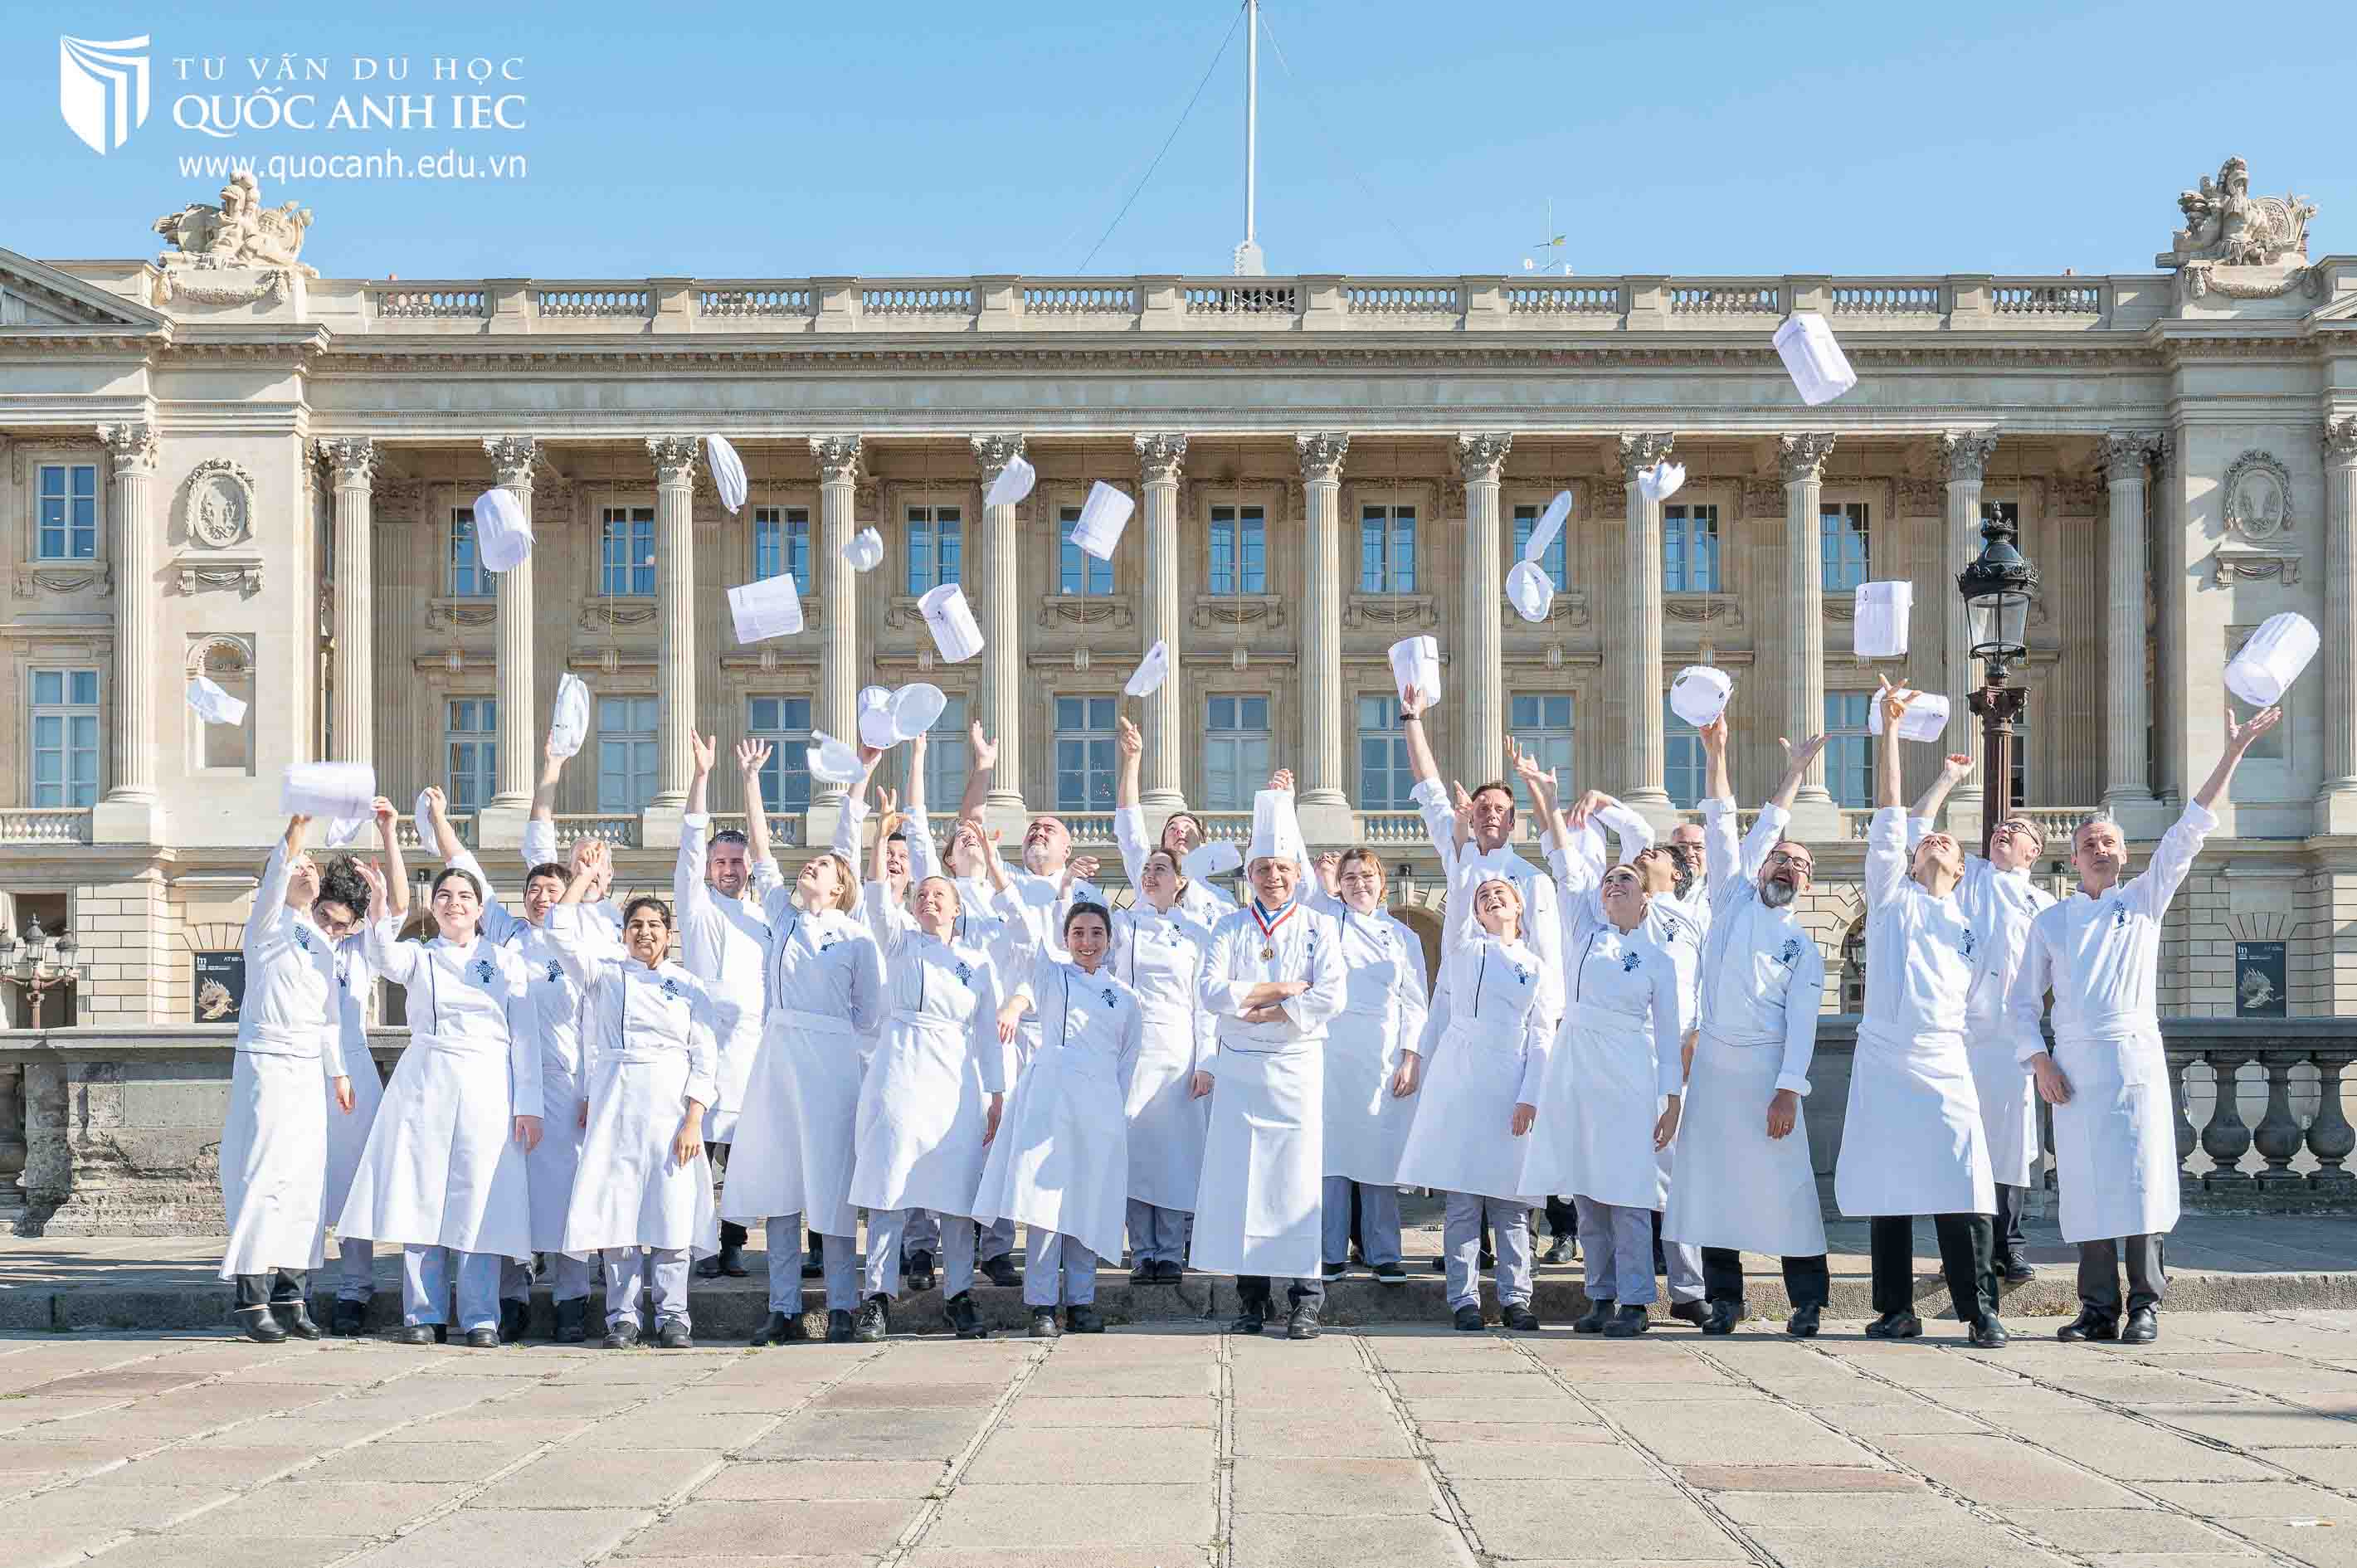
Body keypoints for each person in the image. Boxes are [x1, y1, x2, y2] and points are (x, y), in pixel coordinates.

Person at [2012, 704, 2282, 1346]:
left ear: (2124, 854)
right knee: (2086, 1185)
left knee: (2142, 1178)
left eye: (2107, 842)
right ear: (2072, 859)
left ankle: (2144, 1303)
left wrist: (2234, 749)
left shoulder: (2144, 901)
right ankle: (2096, 1306)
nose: (2098, 850)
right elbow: (2019, 1004)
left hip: (2131, 1057)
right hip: (2073, 1067)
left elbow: (2190, 829)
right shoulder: (2049, 922)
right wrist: (2040, 1062)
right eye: (2087, 845)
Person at [1839, 679, 2006, 1348]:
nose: (1934, 842)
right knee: (1888, 1188)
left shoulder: (1968, 923)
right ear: (1908, 862)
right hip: (1884, 1053)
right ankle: (1893, 1308)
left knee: (1962, 1182)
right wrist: (1887, 730)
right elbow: (1887, 812)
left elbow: (1980, 1003)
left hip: (1942, 1055)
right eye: (1925, 841)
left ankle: (1978, 1309)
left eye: (1946, 843)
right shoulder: (1889, 902)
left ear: (1960, 869)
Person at [1663, 718, 1833, 1337]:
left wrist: (1788, 1088)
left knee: (1786, 1191)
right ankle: (1725, 1301)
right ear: (1761, 869)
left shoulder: (1803, 948)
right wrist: (1724, 754)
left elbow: (1803, 1026)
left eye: (1799, 865)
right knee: (1712, 1189)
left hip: (1767, 1075)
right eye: (1779, 859)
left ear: (1807, 885)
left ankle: (1807, 1301)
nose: (1785, 867)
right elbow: (1727, 820)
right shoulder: (1730, 898)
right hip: (1713, 1069)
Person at [1515, 767, 1691, 1337]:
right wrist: (1542, 794)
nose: (1613, 885)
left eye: (1624, 880)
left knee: (1629, 1190)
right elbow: (1565, 865)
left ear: (1645, 894)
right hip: (1575, 1066)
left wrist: (1670, 1102)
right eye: (1608, 881)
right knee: (1586, 1188)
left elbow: (1666, 1035)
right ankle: (1599, 1295)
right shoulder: (1584, 932)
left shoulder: (1659, 956)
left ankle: (1636, 1300)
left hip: (1629, 1070)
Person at [426, 782, 603, 1344]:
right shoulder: (504, 936)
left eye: (551, 890)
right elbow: (463, 868)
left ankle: (574, 1296)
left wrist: (592, 1090)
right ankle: (513, 1294)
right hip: (509, 1089)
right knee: (508, 1195)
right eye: (532, 889)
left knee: (570, 1196)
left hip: (568, 1086)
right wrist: (437, 817)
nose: (540, 897)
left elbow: (596, 1026)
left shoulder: (584, 944)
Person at [338, 858, 540, 1348]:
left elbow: (526, 1037)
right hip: (427, 1080)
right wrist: (382, 902)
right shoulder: (419, 956)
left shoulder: (506, 961)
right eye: (445, 896)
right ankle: (422, 1313)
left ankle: (480, 1316)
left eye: (465, 897)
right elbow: (383, 954)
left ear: (480, 909)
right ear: (434, 906)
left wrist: (529, 1104)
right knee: (421, 1193)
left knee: (480, 1196)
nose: (455, 904)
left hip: (488, 1081)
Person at [720, 786, 883, 1346]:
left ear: (840, 886)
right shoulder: (781, 917)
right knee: (781, 1185)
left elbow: (871, 1014)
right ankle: (783, 1306)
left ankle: (842, 1305)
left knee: (831, 1188)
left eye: (822, 865)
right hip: (779, 1056)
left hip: (832, 1061)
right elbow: (762, 853)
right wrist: (751, 783)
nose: (808, 866)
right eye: (808, 862)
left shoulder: (857, 937)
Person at [545, 842, 722, 1349]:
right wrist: (580, 876)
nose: (645, 933)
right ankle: (622, 1315)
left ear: (669, 936)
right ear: (623, 934)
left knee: (671, 1209)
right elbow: (559, 929)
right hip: (617, 1100)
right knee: (618, 1209)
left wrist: (693, 1120)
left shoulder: (688, 986)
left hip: (671, 1106)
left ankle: (674, 1314)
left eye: (654, 926)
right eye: (636, 926)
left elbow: (704, 1057)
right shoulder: (605, 974)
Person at [849, 819, 1018, 1342]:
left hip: (955, 1083)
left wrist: (995, 1094)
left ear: (957, 907)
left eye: (938, 895)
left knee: (956, 1195)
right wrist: (880, 836)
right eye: (921, 895)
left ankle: (959, 1294)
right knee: (889, 1187)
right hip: (899, 1072)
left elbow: (989, 1035)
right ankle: (877, 1296)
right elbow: (878, 898)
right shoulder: (900, 944)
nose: (928, 901)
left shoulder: (977, 964)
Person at [1191, 777, 1345, 1341]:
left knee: (1295, 1182)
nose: (1272, 877)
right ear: (1249, 875)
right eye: (1262, 868)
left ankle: (1305, 1299)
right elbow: (1209, 990)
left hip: (1295, 1066)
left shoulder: (1319, 925)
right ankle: (1251, 1298)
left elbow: (1331, 994)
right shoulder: (1228, 926)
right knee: (1243, 1182)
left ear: (1297, 873)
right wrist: (1282, 988)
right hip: (1239, 1068)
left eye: (1281, 867)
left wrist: (1266, 1005)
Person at [1907, 753, 2060, 1284]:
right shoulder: (1969, 878)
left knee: (2014, 1144)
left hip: (2014, 1037)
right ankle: (1963, 1248)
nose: (2002, 833)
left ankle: (2009, 1245)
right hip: (1960, 1030)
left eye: (2014, 831)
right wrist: (1947, 778)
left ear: (2034, 851)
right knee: (1959, 1139)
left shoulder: (2046, 905)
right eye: (1998, 829)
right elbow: (1917, 832)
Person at [1396, 856, 1558, 1332]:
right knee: (1464, 1202)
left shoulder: (1537, 967)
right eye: (1483, 897)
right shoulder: (1462, 953)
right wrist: (1424, 1069)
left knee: (1510, 1204)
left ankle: (1516, 1297)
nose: (1491, 899)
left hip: (1510, 1080)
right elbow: (1437, 1013)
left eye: (1500, 894)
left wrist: (1531, 1094)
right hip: (1462, 1080)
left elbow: (1542, 1034)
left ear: (1518, 907)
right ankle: (1463, 1298)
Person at [976, 902, 1143, 1337]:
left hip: (1099, 1105)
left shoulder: (1126, 998)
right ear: (1065, 938)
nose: (1087, 943)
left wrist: (1111, 1109)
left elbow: (1127, 1062)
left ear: (1110, 939)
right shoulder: (1052, 978)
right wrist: (997, 868)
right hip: (1050, 1102)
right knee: (1044, 1208)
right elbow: (1022, 926)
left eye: (1095, 934)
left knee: (1088, 1202)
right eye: (1078, 934)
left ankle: (1082, 1301)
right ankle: (1042, 1305)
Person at [221, 813, 358, 1343]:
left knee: (305, 1178)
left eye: (312, 866)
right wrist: (290, 845)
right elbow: (273, 885)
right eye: (299, 866)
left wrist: (338, 1071)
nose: (307, 871)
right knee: (265, 1170)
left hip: (306, 1063)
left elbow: (329, 1016)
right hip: (268, 1057)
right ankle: (250, 1297)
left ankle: (292, 1292)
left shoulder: (319, 939)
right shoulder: (269, 924)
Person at [677, 734, 782, 1281]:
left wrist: (750, 781)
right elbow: (690, 843)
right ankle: (698, 1245)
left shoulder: (766, 917)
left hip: (751, 1052)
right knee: (699, 1153)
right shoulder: (696, 908)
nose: (727, 869)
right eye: (719, 861)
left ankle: (735, 1242)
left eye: (736, 861)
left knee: (742, 1157)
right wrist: (701, 776)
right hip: (702, 1046)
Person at [1307, 849, 1430, 1284]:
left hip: (1382, 1054)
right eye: (1351, 876)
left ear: (1382, 881)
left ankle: (1384, 1253)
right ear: (1338, 884)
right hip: (1331, 1052)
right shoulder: (1323, 923)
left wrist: (1411, 1057)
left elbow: (1415, 1001)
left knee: (1380, 1157)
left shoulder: (1402, 936)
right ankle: (1329, 1252)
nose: (1360, 883)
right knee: (1332, 1158)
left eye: (1367, 875)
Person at [1103, 845, 1215, 1283]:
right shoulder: (1122, 927)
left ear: (1180, 880)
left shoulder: (1196, 932)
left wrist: (1206, 1060)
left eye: (1161, 869)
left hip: (1176, 1051)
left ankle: (1170, 1251)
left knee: (1173, 1155)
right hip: (1131, 1049)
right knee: (1134, 1154)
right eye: (1147, 869)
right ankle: (1140, 1251)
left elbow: (1204, 1005)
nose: (1151, 875)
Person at [315, 805, 400, 1337]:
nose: (332, 928)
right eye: (325, 916)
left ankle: (354, 1286)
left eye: (342, 921)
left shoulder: (361, 948)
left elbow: (396, 908)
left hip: (353, 1069)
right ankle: (291, 1285)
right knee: (300, 1179)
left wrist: (389, 834)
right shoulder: (297, 937)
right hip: (302, 1067)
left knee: (353, 1183)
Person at [1114, 714, 1235, 924]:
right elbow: (1129, 824)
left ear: (1203, 843)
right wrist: (1133, 760)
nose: (1180, 831)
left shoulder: (1222, 900)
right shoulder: (1147, 875)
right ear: (1162, 845)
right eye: (1172, 828)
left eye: (1188, 828)